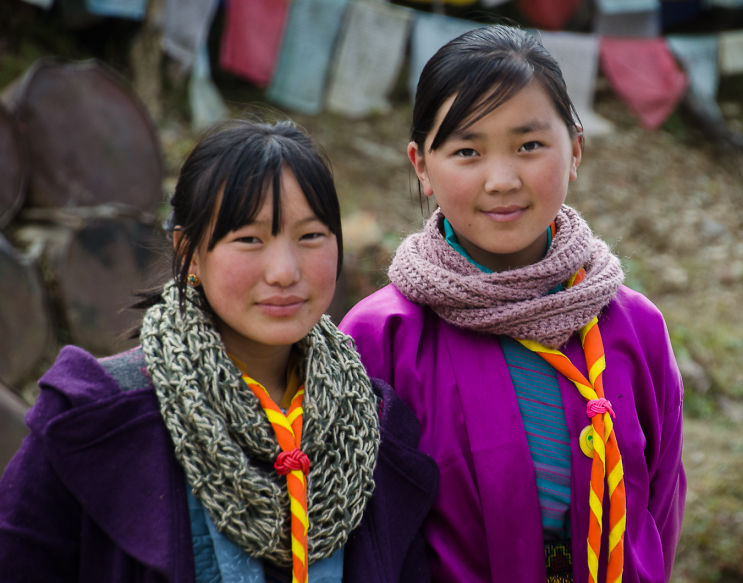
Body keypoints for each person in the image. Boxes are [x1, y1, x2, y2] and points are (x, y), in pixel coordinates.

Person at [0, 120, 438, 583]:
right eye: (249, 239)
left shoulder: (369, 427)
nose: (285, 271)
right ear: (188, 252)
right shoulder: (96, 417)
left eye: (311, 236)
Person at [339, 25, 686, 583]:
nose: (501, 180)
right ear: (422, 165)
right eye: (467, 151)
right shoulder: (382, 338)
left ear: (574, 149)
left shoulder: (634, 327)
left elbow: (660, 508)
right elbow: (363, 537)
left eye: (529, 146)